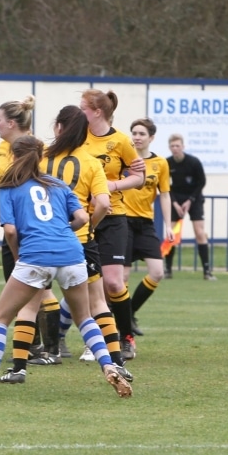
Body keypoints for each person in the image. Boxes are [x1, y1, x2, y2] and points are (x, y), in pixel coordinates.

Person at [0, 135, 131, 399]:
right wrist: (62, 231)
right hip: (73, 254)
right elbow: (82, 217)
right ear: (41, 157)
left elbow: (10, 231)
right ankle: (109, 365)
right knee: (84, 317)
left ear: (14, 156)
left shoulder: (9, 187)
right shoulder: (58, 184)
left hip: (35, 257)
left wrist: (19, 256)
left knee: (0, 319)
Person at [0, 97, 61, 366]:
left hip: (30, 229)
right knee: (24, 287)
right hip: (11, 223)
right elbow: (3, 184)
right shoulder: (1, 148)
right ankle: (34, 345)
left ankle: (51, 346)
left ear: (10, 123)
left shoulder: (34, 149)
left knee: (37, 289)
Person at [81, 89, 144, 362]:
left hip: (114, 216)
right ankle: (90, 340)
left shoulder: (120, 141)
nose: (79, 110)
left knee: (114, 284)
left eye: (83, 107)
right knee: (85, 284)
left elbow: (139, 176)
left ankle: (126, 337)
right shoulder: (78, 136)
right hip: (83, 217)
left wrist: (114, 185)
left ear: (97, 111)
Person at [123, 118, 174, 334]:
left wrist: (169, 226)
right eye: (134, 132)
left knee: (157, 272)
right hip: (122, 221)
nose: (137, 137)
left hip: (145, 224)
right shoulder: (123, 158)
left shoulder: (160, 163)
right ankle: (121, 324)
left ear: (151, 138)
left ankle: (129, 313)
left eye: (142, 133)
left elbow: (164, 195)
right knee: (121, 278)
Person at [165, 133, 215, 280]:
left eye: (178, 146)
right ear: (169, 147)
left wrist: (190, 201)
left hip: (194, 198)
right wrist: (174, 203)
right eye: (172, 146)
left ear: (183, 146)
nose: (175, 148)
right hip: (176, 199)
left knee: (199, 233)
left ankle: (207, 271)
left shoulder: (193, 162)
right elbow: (165, 185)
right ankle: (168, 270)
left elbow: (202, 182)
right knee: (171, 234)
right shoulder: (167, 163)